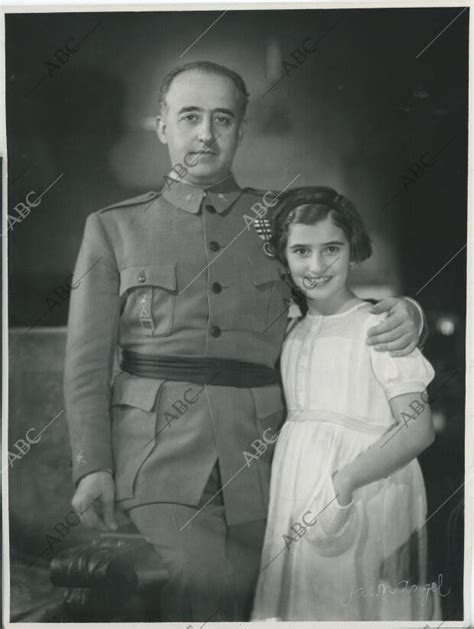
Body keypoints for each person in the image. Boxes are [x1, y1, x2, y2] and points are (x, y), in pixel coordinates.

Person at [64, 61, 425, 622]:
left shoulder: (275, 220)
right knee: (210, 580)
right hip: (155, 459)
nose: (205, 133)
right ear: (161, 126)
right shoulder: (113, 228)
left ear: (239, 130)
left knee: (287, 592)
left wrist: (407, 313)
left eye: (222, 119)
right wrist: (92, 466)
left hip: (265, 459)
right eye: (189, 117)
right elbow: (86, 365)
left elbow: (334, 298)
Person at [251, 187, 439, 621]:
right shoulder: (292, 332)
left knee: (360, 606)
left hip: (369, 489)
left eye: (331, 249)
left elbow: (418, 427)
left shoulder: (379, 327)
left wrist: (343, 484)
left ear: (353, 252)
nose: (316, 266)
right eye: (301, 251)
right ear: (284, 259)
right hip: (299, 487)